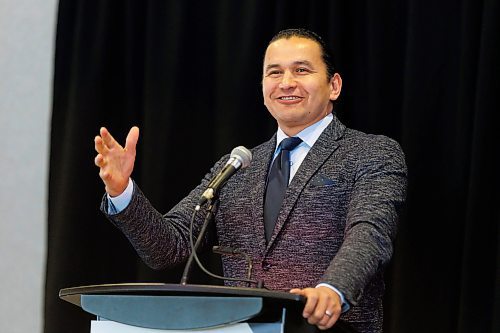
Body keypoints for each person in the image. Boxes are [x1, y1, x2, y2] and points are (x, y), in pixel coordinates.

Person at [94, 28, 407, 332]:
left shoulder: (372, 153)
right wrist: (122, 190)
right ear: (262, 87)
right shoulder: (238, 166)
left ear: (334, 85)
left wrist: (331, 289)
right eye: (274, 73)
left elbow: (369, 234)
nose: (286, 83)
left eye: (301, 70)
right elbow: (168, 246)